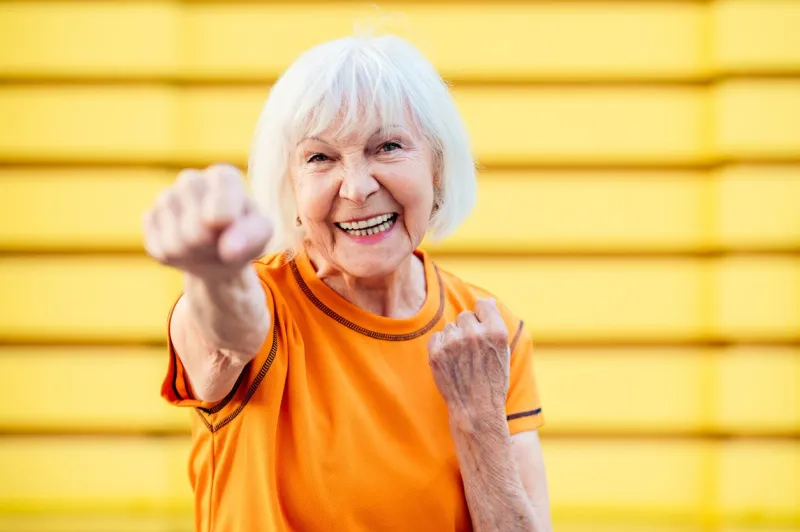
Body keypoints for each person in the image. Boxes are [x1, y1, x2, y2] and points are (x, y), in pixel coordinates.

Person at [144, 33, 551, 532]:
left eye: (388, 146)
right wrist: (214, 272)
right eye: (320, 158)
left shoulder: (486, 332)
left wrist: (479, 422)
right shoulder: (266, 303)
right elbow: (227, 335)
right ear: (289, 185)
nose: (357, 188)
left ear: (437, 168)